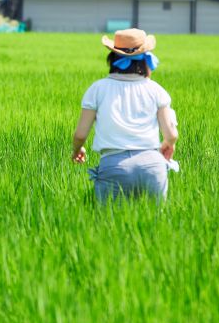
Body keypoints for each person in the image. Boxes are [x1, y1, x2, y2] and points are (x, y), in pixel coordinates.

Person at [71, 28, 180, 204]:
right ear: (145, 60)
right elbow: (171, 134)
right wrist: (168, 145)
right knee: (156, 225)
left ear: (112, 59)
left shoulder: (97, 89)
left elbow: (80, 135)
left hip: (114, 166)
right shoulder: (155, 90)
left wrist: (77, 150)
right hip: (152, 166)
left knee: (108, 224)